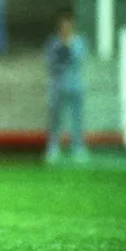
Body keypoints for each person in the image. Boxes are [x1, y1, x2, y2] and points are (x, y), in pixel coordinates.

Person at [44, 8, 90, 164]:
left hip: (76, 84)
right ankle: (53, 147)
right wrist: (62, 49)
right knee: (56, 119)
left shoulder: (79, 42)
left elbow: (79, 59)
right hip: (58, 86)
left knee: (77, 118)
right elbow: (51, 63)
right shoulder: (53, 43)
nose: (66, 27)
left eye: (68, 24)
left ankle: (78, 146)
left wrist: (69, 47)